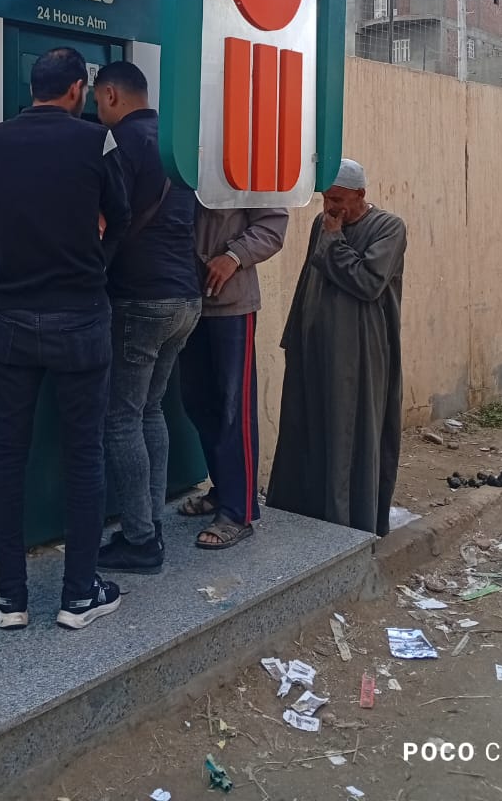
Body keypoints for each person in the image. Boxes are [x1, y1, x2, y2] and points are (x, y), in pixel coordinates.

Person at [0, 47, 130, 630]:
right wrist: (94, 257)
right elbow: (121, 214)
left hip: (12, 317)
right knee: (84, 454)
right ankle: (79, 594)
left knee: (6, 455)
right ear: (76, 91)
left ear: (34, 87)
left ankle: (10, 595)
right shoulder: (97, 140)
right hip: (81, 318)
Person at [91, 61, 202, 575]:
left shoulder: (118, 143)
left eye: (97, 100)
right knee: (150, 410)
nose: (96, 110)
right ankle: (150, 523)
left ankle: (139, 540)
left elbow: (105, 218)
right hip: (186, 298)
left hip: (140, 298)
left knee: (121, 417)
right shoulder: (177, 142)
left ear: (111, 94)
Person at [266, 159, 407, 538]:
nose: (332, 207)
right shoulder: (323, 223)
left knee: (349, 430)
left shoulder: (389, 228)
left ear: (360, 195)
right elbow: (309, 280)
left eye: (339, 200)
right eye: (327, 199)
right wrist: (294, 335)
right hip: (314, 345)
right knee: (307, 426)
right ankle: (304, 514)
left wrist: (333, 239)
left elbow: (368, 282)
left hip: (358, 353)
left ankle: (348, 524)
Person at [177, 203, 289, 548]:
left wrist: (234, 256)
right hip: (187, 299)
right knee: (197, 401)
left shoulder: (250, 171)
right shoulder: (182, 168)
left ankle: (239, 512)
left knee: (233, 408)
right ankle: (224, 489)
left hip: (232, 303)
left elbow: (272, 226)